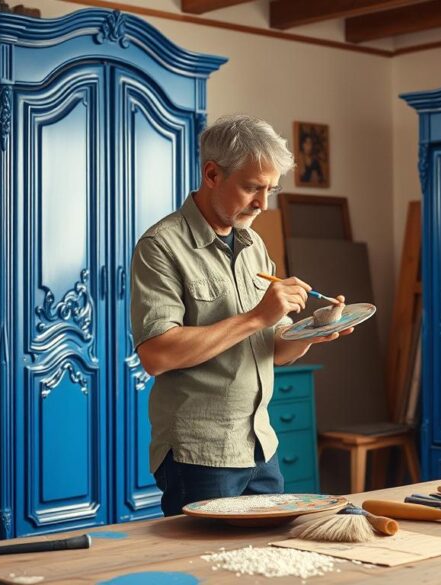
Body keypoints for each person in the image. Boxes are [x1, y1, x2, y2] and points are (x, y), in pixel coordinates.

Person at [130, 114, 353, 516]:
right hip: (199, 454)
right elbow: (157, 354)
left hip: (260, 445)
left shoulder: (253, 245)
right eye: (252, 187)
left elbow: (275, 349)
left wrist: (309, 334)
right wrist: (256, 317)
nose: (263, 204)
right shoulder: (161, 246)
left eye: (270, 190)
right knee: (208, 571)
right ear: (212, 173)